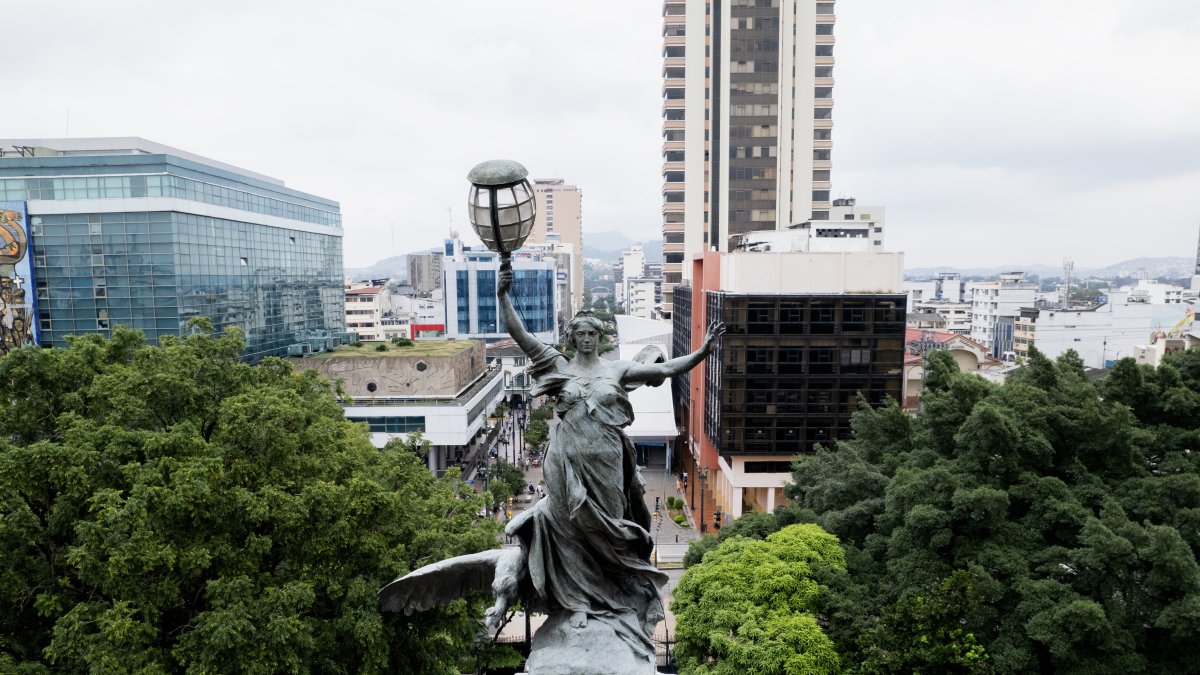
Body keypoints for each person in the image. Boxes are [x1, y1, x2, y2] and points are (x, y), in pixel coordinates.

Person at [497, 266, 724, 659]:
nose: (585, 339)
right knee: (571, 529)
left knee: (614, 528)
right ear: (572, 338)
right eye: (579, 334)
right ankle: (580, 602)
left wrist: (702, 353)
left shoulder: (617, 369)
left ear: (599, 338)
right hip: (567, 462)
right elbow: (521, 335)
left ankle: (619, 594)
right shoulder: (556, 366)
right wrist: (503, 296)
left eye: (591, 334)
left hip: (608, 462)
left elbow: (665, 369)